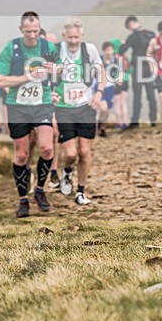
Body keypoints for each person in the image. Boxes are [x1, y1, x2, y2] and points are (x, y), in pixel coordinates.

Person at [0, 11, 58, 218]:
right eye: (28, 31)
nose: (32, 35)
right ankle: (23, 199)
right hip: (18, 105)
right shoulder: (11, 48)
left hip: (42, 103)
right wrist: (27, 77)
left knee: (47, 149)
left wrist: (55, 71)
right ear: (21, 29)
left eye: (36, 31)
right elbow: (0, 81)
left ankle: (40, 190)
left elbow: (61, 71)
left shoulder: (48, 47)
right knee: (21, 154)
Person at [52, 18, 105, 205]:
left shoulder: (89, 50)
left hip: (85, 105)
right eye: (70, 38)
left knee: (84, 151)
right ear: (64, 36)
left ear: (82, 35)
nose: (73, 41)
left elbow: (101, 71)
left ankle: (81, 191)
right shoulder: (55, 51)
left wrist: (99, 92)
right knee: (70, 154)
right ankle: (67, 172)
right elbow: (43, 75)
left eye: (76, 37)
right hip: (63, 107)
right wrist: (50, 92)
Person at [119, 16, 157, 128]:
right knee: (150, 94)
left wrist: (123, 43)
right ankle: (153, 120)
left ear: (130, 25)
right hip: (148, 66)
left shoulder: (133, 36)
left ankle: (135, 121)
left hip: (139, 67)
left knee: (138, 95)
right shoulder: (150, 34)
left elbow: (121, 50)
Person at [95, 41, 118, 137]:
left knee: (107, 110)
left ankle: (102, 127)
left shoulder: (115, 60)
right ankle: (99, 126)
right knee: (103, 108)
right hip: (100, 87)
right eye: (107, 50)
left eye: (111, 50)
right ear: (104, 51)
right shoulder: (99, 60)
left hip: (110, 87)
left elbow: (119, 72)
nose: (109, 52)